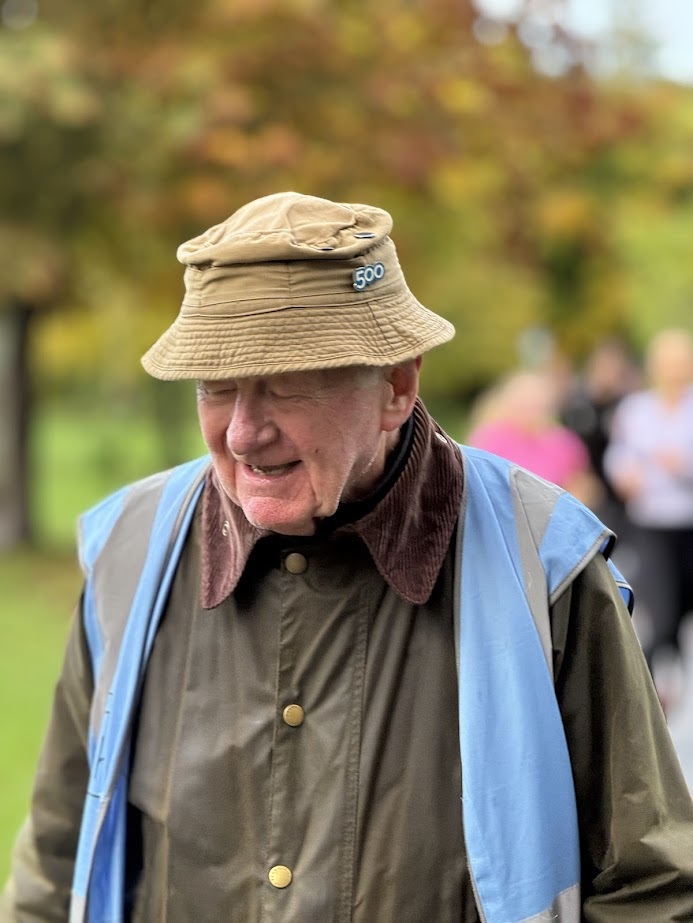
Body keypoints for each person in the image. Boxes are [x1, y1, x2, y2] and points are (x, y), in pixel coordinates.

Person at [2, 192, 693, 923]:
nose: (242, 432)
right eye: (218, 385)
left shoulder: (542, 562)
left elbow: (650, 887)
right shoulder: (128, 550)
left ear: (396, 382)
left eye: (283, 382)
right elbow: (54, 866)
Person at [604, 328, 693, 695]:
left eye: (680, 362)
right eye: (666, 363)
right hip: (651, 521)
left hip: (688, 520)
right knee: (662, 608)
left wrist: (681, 464)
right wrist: (623, 473)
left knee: (683, 605)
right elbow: (619, 454)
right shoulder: (635, 409)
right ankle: (648, 691)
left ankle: (671, 671)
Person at [466, 368, 602, 508]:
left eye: (536, 403)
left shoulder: (563, 441)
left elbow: (583, 483)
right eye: (524, 402)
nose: (531, 409)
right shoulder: (491, 438)